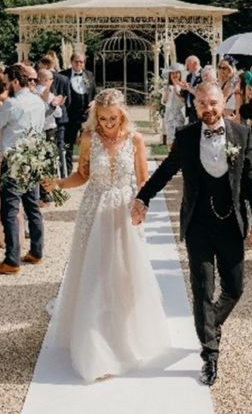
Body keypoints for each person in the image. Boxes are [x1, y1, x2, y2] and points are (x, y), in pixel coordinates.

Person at [132, 83, 252, 387]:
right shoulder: (187, 137)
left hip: (231, 224)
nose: (209, 108)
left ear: (223, 103)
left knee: (235, 289)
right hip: (198, 226)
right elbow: (166, 170)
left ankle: (209, 324)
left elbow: (251, 177)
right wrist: (143, 198)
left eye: (214, 102)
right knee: (202, 289)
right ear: (195, 106)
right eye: (203, 103)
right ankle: (210, 354)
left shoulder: (241, 134)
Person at [43, 89, 171, 383]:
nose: (108, 124)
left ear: (122, 114)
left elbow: (142, 181)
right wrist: (60, 184)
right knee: (96, 275)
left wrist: (142, 207)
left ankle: (123, 336)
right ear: (95, 116)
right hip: (95, 208)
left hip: (124, 212)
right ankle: (95, 344)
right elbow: (83, 175)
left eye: (113, 118)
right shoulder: (88, 139)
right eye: (102, 119)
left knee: (124, 275)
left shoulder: (135, 140)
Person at [0, 63, 47, 275]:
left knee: (10, 210)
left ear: (14, 81)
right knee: (32, 207)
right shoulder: (38, 102)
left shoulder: (12, 104)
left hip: (13, 160)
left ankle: (12, 259)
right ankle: (37, 251)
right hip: (32, 159)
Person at [61, 53, 96, 175]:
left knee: (88, 142)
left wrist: (94, 102)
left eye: (81, 62)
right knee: (68, 143)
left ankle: (87, 169)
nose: (79, 64)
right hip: (70, 115)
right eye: (77, 61)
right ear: (71, 62)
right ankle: (68, 171)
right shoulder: (63, 75)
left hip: (86, 115)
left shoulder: (89, 75)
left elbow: (94, 93)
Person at [39, 55, 72, 177]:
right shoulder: (64, 78)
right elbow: (68, 101)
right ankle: (62, 175)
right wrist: (57, 105)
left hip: (44, 126)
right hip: (53, 124)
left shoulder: (34, 91)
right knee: (59, 149)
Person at [161, 63, 188, 146]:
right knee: (170, 139)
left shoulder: (183, 86)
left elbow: (183, 101)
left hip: (179, 115)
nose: (175, 75)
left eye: (177, 73)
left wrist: (177, 87)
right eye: (172, 73)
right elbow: (164, 102)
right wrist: (166, 93)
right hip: (169, 116)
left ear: (180, 74)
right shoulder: (166, 87)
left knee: (179, 139)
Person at [181, 55, 202, 124]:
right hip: (190, 110)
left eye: (187, 64)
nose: (186, 67)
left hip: (199, 109)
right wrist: (183, 88)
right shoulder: (189, 76)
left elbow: (201, 92)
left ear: (195, 63)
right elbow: (186, 92)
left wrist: (188, 88)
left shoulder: (203, 74)